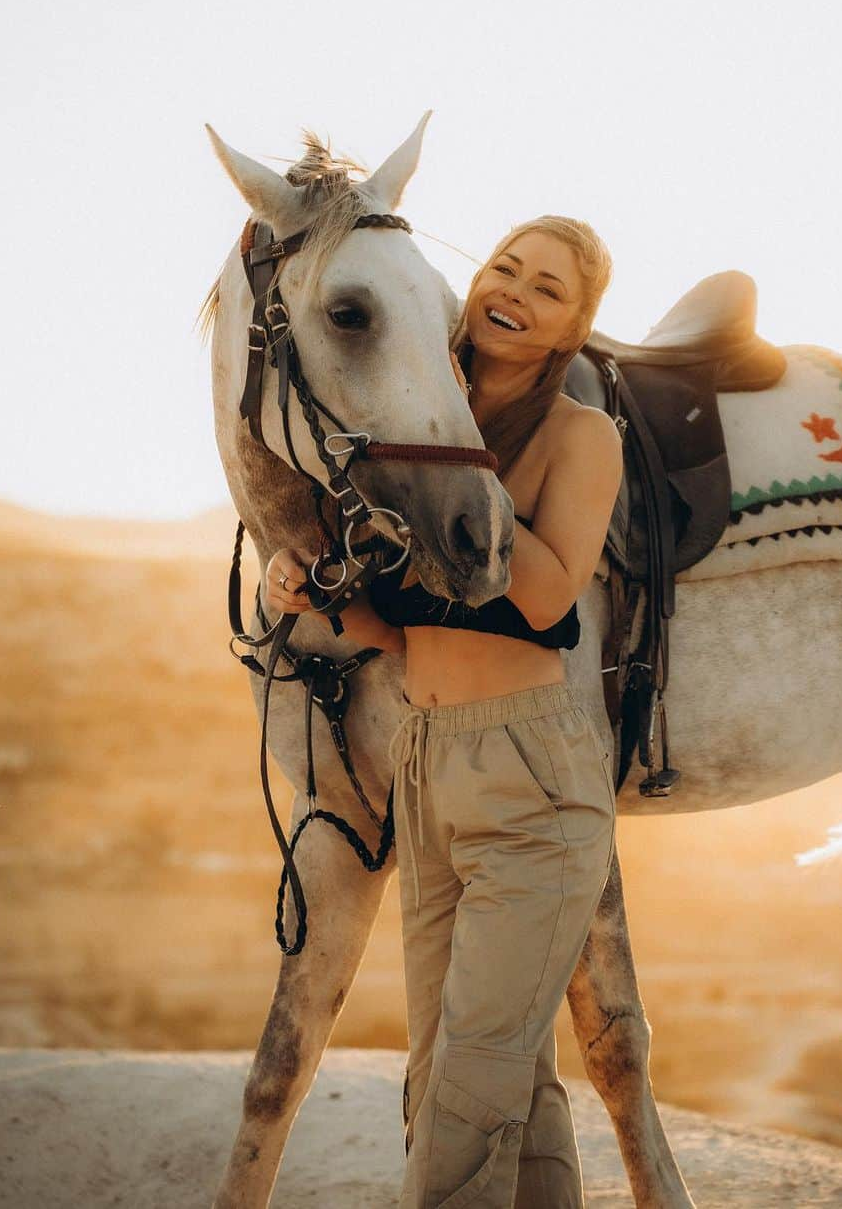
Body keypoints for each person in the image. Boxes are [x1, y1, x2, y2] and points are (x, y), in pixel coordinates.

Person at [266, 215, 623, 1208]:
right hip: (425, 761)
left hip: (531, 774)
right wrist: (306, 583)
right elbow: (399, 632)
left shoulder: (577, 437)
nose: (515, 290)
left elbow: (546, 600)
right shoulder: (409, 430)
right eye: (506, 267)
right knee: (475, 1069)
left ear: (570, 328)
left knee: (468, 1082)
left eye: (549, 289)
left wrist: (455, 466)